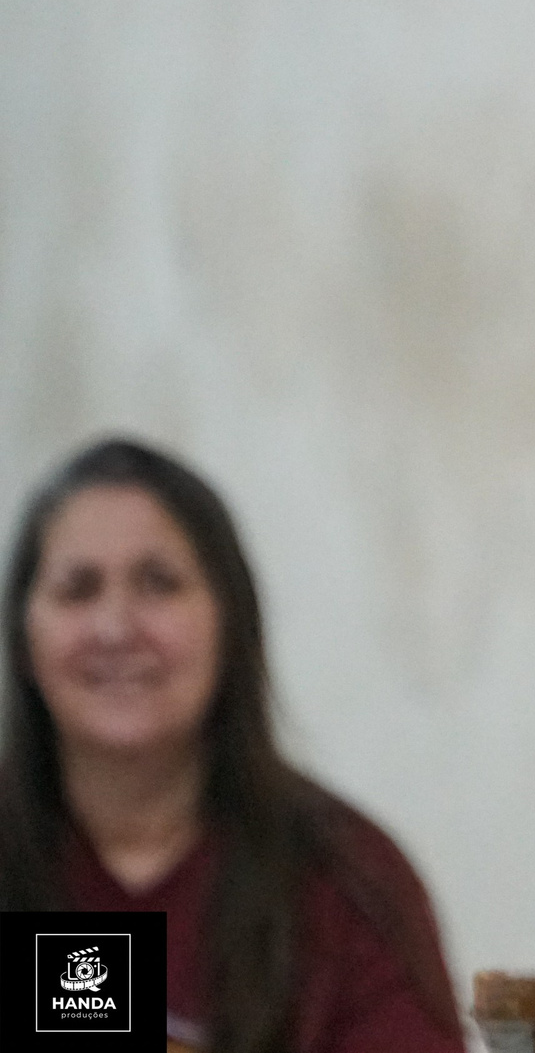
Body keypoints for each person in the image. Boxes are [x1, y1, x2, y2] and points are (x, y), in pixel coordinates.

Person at [0, 437, 465, 1053]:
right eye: (78, 589)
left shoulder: (347, 880)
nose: (114, 628)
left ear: (231, 622)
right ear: (24, 634)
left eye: (159, 584)